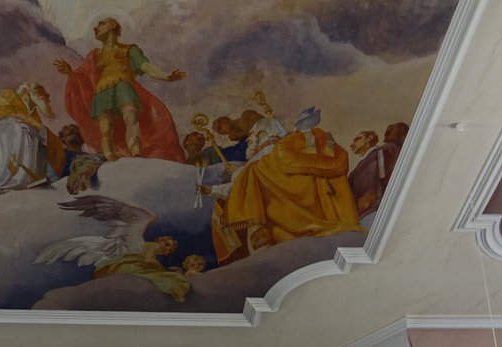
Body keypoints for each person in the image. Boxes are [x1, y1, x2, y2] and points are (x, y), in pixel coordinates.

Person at [205, 106, 361, 265]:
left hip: (271, 165)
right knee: (245, 177)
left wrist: (226, 181)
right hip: (268, 165)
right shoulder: (267, 149)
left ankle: (263, 246)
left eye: (223, 130)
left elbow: (251, 169)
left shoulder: (271, 144)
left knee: (247, 176)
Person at [55, 17, 186, 163]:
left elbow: (146, 67)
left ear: (112, 25)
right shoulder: (94, 55)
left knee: (131, 117)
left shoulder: (129, 50)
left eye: (101, 23)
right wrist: (70, 73)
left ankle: (136, 153)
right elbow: (83, 79)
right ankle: (111, 159)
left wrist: (166, 76)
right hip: (102, 92)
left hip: (123, 87)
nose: (95, 27)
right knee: (105, 129)